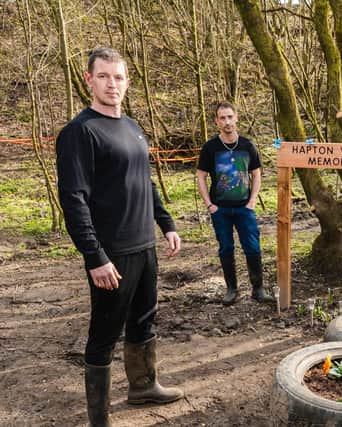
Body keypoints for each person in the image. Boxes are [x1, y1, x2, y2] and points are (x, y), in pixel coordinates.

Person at [56, 47, 183, 426]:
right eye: (104, 76)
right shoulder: (80, 132)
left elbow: (144, 182)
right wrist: (94, 256)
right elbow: (73, 199)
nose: (113, 84)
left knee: (145, 320)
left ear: (128, 82)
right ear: (88, 79)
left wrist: (167, 223)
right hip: (113, 253)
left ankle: (144, 386)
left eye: (119, 77)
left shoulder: (132, 127)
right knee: (104, 334)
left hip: (144, 245)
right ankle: (100, 418)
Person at [196, 102, 274, 305]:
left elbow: (256, 174)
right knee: (226, 248)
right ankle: (231, 289)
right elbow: (201, 176)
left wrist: (253, 200)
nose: (227, 122)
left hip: (244, 208)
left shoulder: (247, 146)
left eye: (230, 117)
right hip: (220, 208)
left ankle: (258, 289)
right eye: (222, 118)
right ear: (216, 121)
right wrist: (209, 205)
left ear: (236, 118)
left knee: (253, 248)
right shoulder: (210, 148)